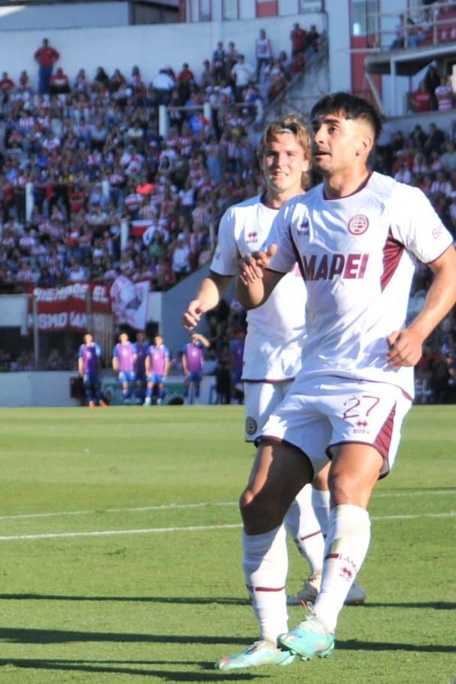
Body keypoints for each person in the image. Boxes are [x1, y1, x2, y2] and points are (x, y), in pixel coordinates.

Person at [219, 93, 456, 668]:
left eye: (331, 128)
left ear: (362, 142)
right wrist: (249, 282)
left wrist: (421, 328)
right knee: (257, 501)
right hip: (311, 376)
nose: (319, 138)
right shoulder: (298, 213)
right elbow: (257, 293)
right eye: (319, 127)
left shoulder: (398, 200)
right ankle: (271, 641)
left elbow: (449, 265)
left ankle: (322, 622)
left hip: (376, 378)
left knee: (347, 486)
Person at [183, 114, 351, 627]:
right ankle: (324, 573)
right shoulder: (238, 218)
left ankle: (331, 571)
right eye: (271, 156)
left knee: (320, 473)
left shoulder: (321, 213)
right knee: (277, 472)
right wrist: (201, 302)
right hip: (262, 364)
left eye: (290, 156)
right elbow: (220, 276)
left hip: (314, 359)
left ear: (306, 163)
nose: (279, 164)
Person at [181, 333, 210, 404]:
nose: (194, 339)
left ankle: (196, 400)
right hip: (189, 369)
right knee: (187, 384)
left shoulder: (199, 346)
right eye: (193, 337)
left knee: (197, 385)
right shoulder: (187, 346)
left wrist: (200, 336)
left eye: (195, 338)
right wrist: (185, 369)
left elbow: (208, 344)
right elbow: (184, 358)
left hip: (198, 369)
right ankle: (186, 400)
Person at [78, 332, 105, 407]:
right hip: (86, 370)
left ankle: (100, 401)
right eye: (87, 337)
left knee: (97, 386)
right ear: (85, 339)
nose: (88, 339)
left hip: (95, 370)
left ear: (91, 338)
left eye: (89, 337)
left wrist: (100, 368)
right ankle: (90, 401)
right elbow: (80, 359)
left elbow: (98, 358)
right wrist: (80, 369)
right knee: (88, 386)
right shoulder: (82, 347)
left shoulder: (95, 346)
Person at [112, 331, 138, 405]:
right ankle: (126, 400)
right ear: (120, 338)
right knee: (124, 384)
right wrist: (115, 369)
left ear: (127, 337)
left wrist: (134, 364)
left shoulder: (131, 345)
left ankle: (131, 397)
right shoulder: (117, 347)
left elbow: (135, 356)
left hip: (131, 369)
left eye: (125, 336)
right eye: (122, 337)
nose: (124, 338)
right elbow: (115, 359)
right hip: (122, 369)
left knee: (133, 384)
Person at [144, 333, 169, 405]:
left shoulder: (164, 349)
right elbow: (147, 359)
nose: (158, 341)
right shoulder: (151, 348)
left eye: (159, 339)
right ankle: (147, 400)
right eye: (156, 339)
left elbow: (166, 361)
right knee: (149, 385)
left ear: (162, 340)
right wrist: (147, 370)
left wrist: (165, 371)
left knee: (161, 386)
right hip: (152, 371)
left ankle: (160, 400)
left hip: (161, 372)